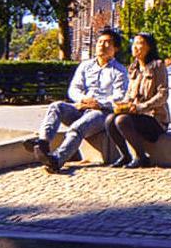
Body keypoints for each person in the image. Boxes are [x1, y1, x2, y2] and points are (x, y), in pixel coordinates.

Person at [30, 28, 127, 173]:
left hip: (102, 113)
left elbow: (119, 96)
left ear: (115, 48)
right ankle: (43, 143)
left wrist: (98, 103)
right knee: (56, 106)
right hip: (81, 107)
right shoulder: (85, 66)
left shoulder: (119, 71)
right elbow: (74, 89)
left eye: (107, 43)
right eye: (100, 42)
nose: (102, 45)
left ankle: (57, 159)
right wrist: (83, 99)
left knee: (78, 127)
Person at [110, 31, 169, 169]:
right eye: (134, 43)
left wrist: (141, 107)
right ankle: (125, 155)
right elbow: (130, 94)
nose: (135, 47)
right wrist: (123, 104)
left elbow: (163, 94)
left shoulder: (158, 65)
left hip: (154, 118)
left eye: (140, 43)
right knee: (109, 120)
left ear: (150, 47)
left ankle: (141, 157)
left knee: (121, 120)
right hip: (136, 115)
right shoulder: (133, 68)